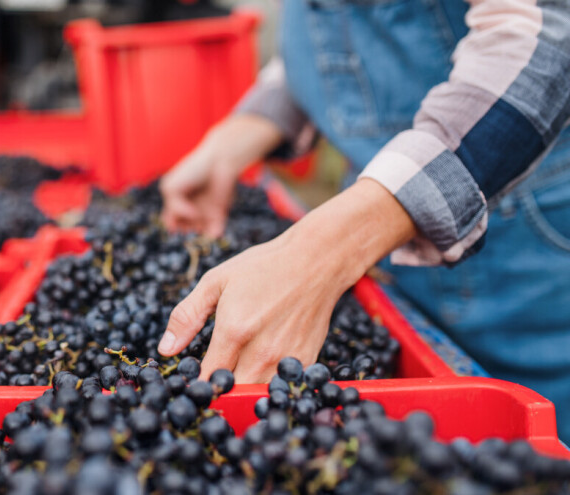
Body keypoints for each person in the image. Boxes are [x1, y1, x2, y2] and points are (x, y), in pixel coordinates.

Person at [157, 0, 570, 440]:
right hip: (376, 251)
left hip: (518, 255)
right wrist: (243, 133)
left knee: (535, 439)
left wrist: (321, 251)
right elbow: (341, 32)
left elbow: (547, 35)